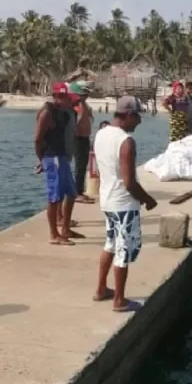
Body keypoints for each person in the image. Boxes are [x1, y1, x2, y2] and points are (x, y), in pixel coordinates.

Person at [93, 96, 157, 312]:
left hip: (107, 200)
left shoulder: (101, 133)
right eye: (137, 116)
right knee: (123, 251)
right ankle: (119, 300)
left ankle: (101, 288)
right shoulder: (125, 141)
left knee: (110, 244)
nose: (139, 121)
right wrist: (148, 200)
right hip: (124, 204)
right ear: (129, 115)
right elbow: (129, 182)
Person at [35, 82, 83, 245]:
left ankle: (65, 228)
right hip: (52, 157)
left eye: (66, 97)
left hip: (61, 157)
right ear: (55, 96)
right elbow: (38, 139)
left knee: (71, 193)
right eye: (61, 97)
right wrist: (41, 159)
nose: (65, 101)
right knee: (54, 197)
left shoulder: (63, 113)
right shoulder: (47, 113)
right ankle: (54, 234)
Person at [70, 81, 95, 205]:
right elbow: (75, 121)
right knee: (79, 166)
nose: (86, 95)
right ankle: (77, 193)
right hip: (78, 139)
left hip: (84, 138)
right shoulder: (77, 104)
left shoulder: (83, 103)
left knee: (82, 166)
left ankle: (79, 190)